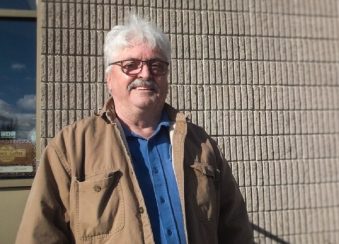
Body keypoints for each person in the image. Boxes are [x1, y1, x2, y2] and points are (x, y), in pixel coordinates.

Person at [16, 14, 252, 244]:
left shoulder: (201, 144)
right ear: (109, 78)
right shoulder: (70, 148)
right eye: (130, 65)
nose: (146, 74)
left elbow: (235, 229)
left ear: (166, 77)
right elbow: (39, 235)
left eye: (156, 65)